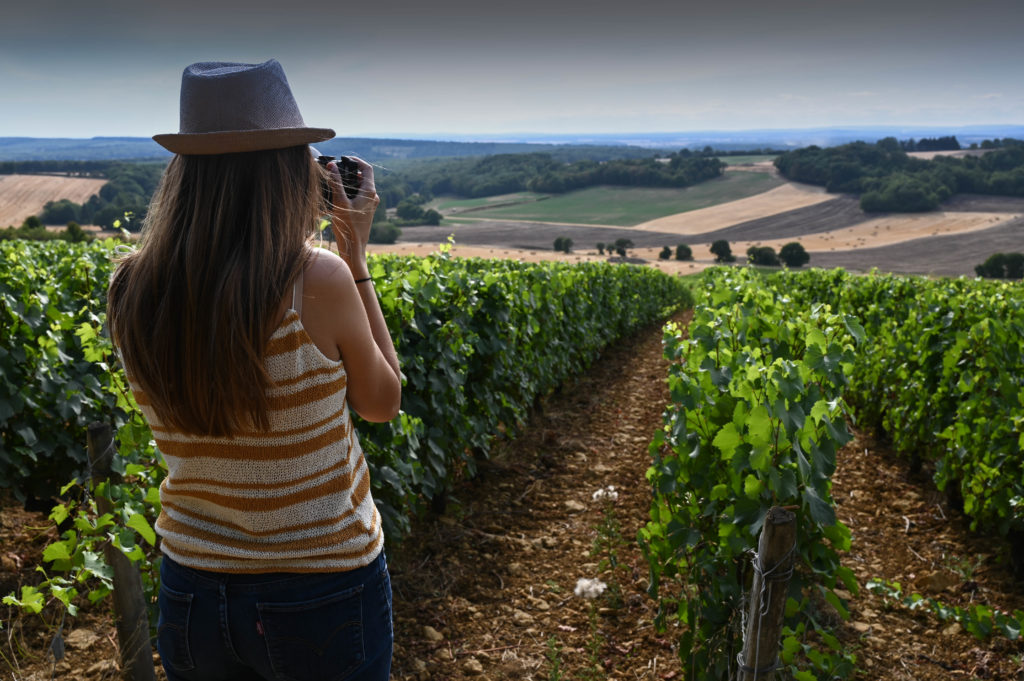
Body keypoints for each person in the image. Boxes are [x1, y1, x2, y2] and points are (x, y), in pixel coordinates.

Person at [107, 60, 401, 681]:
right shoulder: (314, 279)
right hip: (319, 586)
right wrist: (355, 255)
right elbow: (382, 402)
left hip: (192, 586)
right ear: (288, 170)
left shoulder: (132, 284)